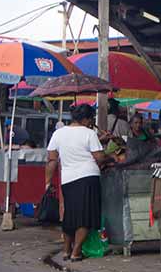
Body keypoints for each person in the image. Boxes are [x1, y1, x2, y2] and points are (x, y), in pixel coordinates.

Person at [45, 104, 112, 261]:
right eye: (91, 120)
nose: (91, 123)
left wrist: (47, 182)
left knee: (70, 216)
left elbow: (52, 159)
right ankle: (76, 252)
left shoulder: (58, 133)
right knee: (86, 216)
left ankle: (66, 251)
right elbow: (100, 158)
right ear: (86, 119)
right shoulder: (89, 133)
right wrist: (111, 157)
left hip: (68, 180)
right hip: (88, 178)